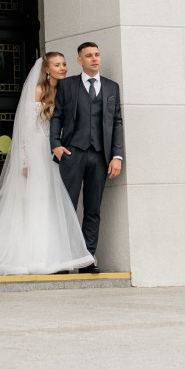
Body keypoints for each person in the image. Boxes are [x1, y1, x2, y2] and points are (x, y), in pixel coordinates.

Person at [0, 52, 95, 277]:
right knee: (35, 202)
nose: (63, 68)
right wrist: (26, 161)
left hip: (56, 154)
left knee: (52, 203)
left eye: (64, 64)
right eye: (57, 65)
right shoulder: (37, 90)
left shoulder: (65, 91)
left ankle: (54, 257)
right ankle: (33, 257)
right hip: (36, 152)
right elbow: (25, 129)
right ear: (47, 69)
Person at [49, 41, 123, 271]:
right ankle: (64, 260)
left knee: (93, 209)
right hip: (72, 153)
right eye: (89, 55)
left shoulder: (112, 87)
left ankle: (87, 260)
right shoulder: (67, 85)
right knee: (67, 209)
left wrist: (117, 156)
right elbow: (57, 116)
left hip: (100, 156)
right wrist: (56, 145)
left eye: (97, 54)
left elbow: (117, 121)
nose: (94, 59)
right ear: (79, 60)